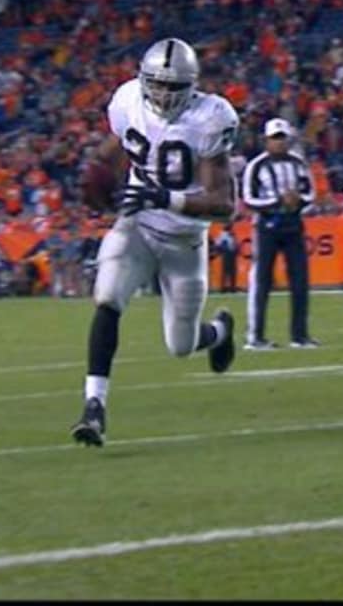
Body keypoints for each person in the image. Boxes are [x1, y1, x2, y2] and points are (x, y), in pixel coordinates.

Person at [70, 37, 238, 447]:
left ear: (192, 86)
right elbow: (117, 147)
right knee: (107, 297)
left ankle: (219, 331)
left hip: (184, 243)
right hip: (138, 227)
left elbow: (224, 205)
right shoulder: (127, 101)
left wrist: (166, 197)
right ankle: (94, 407)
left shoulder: (209, 119)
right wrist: (97, 172)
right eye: (156, 84)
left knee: (180, 345)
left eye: (173, 87)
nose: (163, 94)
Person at [240, 117, 318, 349]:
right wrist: (277, 201)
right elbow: (248, 198)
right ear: (266, 140)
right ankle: (255, 336)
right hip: (267, 227)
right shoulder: (256, 166)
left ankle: (300, 335)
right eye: (275, 138)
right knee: (261, 281)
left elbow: (311, 194)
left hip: (293, 225)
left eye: (283, 138)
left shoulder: (298, 164)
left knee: (300, 281)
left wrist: (298, 201)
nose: (279, 143)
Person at [212, 222, 239, 293]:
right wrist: (223, 249)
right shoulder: (222, 235)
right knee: (226, 271)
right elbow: (218, 244)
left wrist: (236, 249)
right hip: (227, 254)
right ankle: (223, 288)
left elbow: (235, 244)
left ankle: (232, 288)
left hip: (232, 253)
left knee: (232, 271)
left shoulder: (232, 235)